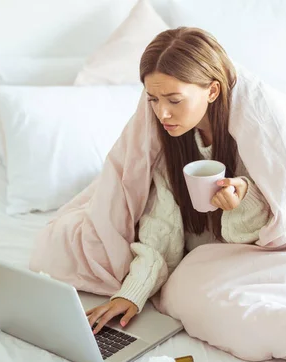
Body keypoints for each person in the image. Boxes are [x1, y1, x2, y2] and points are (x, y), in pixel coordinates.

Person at [86, 27, 272, 334]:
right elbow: (160, 228)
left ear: (212, 91)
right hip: (201, 261)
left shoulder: (251, 137)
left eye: (174, 100)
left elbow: (271, 228)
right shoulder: (169, 146)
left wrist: (242, 200)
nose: (162, 113)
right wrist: (131, 295)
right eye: (154, 100)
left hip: (244, 257)